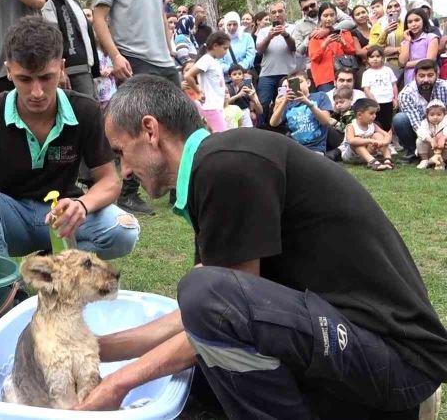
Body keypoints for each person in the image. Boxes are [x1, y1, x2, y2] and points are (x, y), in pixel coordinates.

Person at [76, 74, 447, 418]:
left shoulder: (227, 165)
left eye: (121, 152)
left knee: (201, 296)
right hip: (356, 347)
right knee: (193, 374)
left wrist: (119, 382)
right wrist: (96, 348)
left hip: (397, 362)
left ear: (150, 130)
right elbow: (203, 317)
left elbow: (216, 311)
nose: (123, 171)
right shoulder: (217, 165)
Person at [0, 17, 139, 272]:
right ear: (8, 70)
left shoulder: (84, 110)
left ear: (62, 68)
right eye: (25, 79)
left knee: (124, 230)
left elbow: (109, 180)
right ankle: (5, 287)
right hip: (7, 218)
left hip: (61, 218)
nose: (37, 92)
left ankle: (52, 268)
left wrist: (82, 205)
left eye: (46, 77)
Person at [94, 0, 177, 215]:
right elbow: (99, 17)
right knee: (136, 127)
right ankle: (128, 193)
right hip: (132, 57)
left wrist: (169, 49)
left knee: (177, 123)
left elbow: (161, 14)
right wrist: (116, 56)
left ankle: (178, 186)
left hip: (164, 60)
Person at [42, 0, 100, 97]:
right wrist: (60, 70)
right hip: (71, 75)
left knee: (93, 113)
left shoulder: (74, 3)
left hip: (87, 74)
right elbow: (51, 39)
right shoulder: (49, 1)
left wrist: (95, 73)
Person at [394, 59, 447, 160]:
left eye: (430, 75)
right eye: (421, 76)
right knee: (400, 119)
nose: (426, 80)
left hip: (444, 128)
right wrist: (430, 138)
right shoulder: (406, 94)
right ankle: (413, 151)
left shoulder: (445, 87)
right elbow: (416, 124)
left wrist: (443, 135)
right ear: (415, 76)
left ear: (437, 74)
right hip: (420, 132)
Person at [269, 71, 333, 152]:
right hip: (295, 148)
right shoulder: (288, 103)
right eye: (292, 84)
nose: (297, 85)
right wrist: (284, 101)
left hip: (315, 148)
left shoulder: (320, 96)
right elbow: (273, 123)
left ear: (308, 83)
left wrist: (307, 102)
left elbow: (325, 121)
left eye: (300, 82)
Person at [255, 1, 297, 127]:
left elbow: (295, 47)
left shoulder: (293, 28)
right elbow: (259, 50)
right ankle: (262, 132)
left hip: (290, 74)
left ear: (285, 11)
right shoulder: (263, 31)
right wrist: (269, 36)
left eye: (280, 11)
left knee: (294, 101)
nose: (277, 15)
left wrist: (285, 34)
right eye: (273, 12)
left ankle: (291, 130)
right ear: (270, 15)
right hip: (267, 74)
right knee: (263, 103)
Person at [293, 0, 355, 70]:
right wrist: (309, 38)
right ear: (302, 10)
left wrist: (329, 30)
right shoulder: (299, 26)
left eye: (312, 5)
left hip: (339, 62)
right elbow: (299, 51)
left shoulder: (329, 10)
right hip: (315, 65)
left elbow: (351, 22)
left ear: (318, 2)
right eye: (305, 8)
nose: (310, 9)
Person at [185, 32, 231, 132]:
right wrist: (198, 92)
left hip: (217, 107)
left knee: (215, 137)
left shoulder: (214, 62)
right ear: (215, 46)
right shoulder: (206, 60)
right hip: (211, 107)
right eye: (225, 48)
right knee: (223, 137)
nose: (226, 52)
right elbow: (188, 75)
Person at [309, 3, 359, 92]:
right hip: (325, 78)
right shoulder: (315, 36)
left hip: (344, 77)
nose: (329, 18)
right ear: (320, 17)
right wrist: (325, 43)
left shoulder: (344, 33)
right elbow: (314, 58)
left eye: (332, 15)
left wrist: (343, 43)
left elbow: (352, 52)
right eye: (325, 15)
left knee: (347, 102)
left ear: (336, 17)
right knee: (329, 104)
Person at [339, 98, 394, 170]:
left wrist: (383, 142)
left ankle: (387, 159)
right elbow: (351, 141)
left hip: (368, 153)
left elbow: (386, 135)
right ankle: (372, 162)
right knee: (357, 141)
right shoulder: (351, 126)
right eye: (371, 113)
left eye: (375, 113)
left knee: (378, 135)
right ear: (359, 115)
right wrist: (370, 141)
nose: (374, 116)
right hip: (351, 156)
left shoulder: (373, 125)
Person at [362, 46, 398, 132]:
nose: (375, 59)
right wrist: (373, 101)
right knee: (375, 122)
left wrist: (396, 98)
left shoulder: (388, 70)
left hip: (388, 101)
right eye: (372, 57)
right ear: (367, 59)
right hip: (374, 102)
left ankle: (389, 140)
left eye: (378, 56)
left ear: (382, 58)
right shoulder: (367, 73)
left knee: (388, 121)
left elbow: (394, 85)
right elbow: (366, 89)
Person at [400, 8, 439, 85]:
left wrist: (407, 64)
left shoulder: (431, 38)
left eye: (417, 20)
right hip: (409, 78)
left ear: (423, 21)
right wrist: (408, 41)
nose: (413, 24)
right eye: (410, 22)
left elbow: (429, 60)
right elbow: (401, 62)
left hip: (426, 76)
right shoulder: (405, 41)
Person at [369, 0, 406, 70]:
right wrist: (385, 33)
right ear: (385, 9)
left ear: (401, 7)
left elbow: (413, 45)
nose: (393, 9)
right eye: (389, 7)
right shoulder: (378, 25)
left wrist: (396, 49)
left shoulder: (406, 23)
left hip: (404, 63)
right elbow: (372, 49)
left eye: (396, 6)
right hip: (383, 65)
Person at [219, 12, 256, 76]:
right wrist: (231, 70)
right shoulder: (221, 40)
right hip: (227, 78)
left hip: (244, 75)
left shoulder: (247, 37)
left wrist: (239, 69)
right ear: (225, 25)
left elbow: (250, 56)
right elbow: (218, 60)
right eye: (229, 25)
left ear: (238, 24)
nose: (232, 27)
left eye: (235, 24)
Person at [416, 99, 447, 169]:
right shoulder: (425, 123)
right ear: (427, 115)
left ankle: (442, 161)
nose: (435, 117)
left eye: (439, 114)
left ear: (444, 114)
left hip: (442, 149)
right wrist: (430, 140)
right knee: (420, 140)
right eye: (432, 114)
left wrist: (444, 137)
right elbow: (420, 131)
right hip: (430, 149)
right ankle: (425, 160)